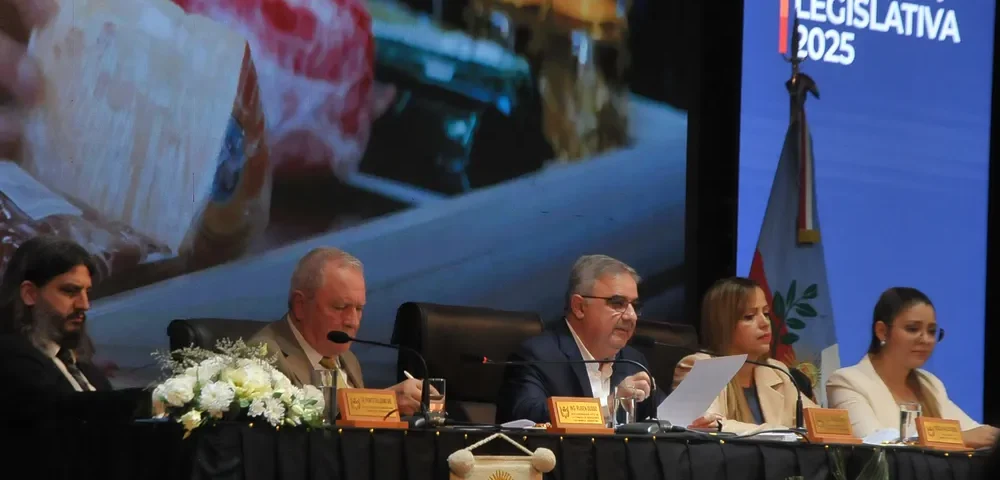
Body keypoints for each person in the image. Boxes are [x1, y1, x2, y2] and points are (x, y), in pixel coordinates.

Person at [249, 247, 427, 416]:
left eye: (359, 309)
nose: (353, 322)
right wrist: (385, 402)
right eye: (340, 307)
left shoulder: (348, 359)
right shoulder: (265, 353)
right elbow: (303, 418)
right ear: (300, 305)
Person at [496, 254, 664, 425]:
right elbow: (526, 418)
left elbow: (664, 420)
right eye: (618, 303)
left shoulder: (633, 362)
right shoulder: (538, 357)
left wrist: (679, 395)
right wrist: (608, 407)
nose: (631, 316)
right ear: (579, 307)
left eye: (635, 306)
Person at [0, 235, 149, 425]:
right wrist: (156, 400)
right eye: (70, 291)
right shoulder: (9, 357)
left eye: (87, 292)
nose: (84, 305)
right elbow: (59, 409)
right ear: (30, 294)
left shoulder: (77, 362)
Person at [826, 287, 999, 447]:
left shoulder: (929, 383)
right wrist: (958, 438)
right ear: (882, 331)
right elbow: (874, 445)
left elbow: (976, 432)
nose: (926, 340)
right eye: (913, 329)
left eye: (932, 331)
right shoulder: (846, 381)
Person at [673, 277, 818, 433]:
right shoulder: (700, 366)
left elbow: (820, 424)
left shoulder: (776, 371)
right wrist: (783, 432)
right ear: (723, 324)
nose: (765, 323)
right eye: (749, 316)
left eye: (766, 313)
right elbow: (703, 426)